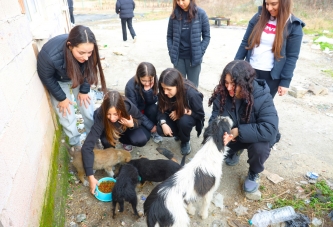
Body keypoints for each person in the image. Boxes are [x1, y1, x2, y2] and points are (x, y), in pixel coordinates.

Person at [208, 60, 279, 193]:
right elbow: (214, 119)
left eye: (233, 84)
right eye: (226, 82)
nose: (228, 88)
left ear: (245, 84)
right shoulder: (222, 93)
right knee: (215, 137)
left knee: (261, 147)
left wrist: (238, 132)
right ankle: (235, 150)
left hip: (250, 136)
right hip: (232, 136)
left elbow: (270, 128)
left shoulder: (262, 96)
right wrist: (221, 133)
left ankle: (254, 172)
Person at [37, 25, 106, 148]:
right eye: (81, 53)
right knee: (66, 114)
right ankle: (76, 145)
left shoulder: (88, 53)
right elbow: (47, 77)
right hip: (58, 80)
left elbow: (89, 69)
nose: (86, 57)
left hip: (79, 76)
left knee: (87, 107)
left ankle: (93, 139)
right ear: (70, 46)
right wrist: (62, 98)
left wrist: (84, 90)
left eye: (89, 52)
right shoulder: (50, 56)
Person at [82, 90, 151, 194]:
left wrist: (132, 125)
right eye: (109, 114)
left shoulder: (128, 107)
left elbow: (140, 119)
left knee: (141, 139)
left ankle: (124, 140)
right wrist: (90, 176)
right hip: (109, 131)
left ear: (122, 110)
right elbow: (87, 146)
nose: (112, 118)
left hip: (125, 128)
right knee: (106, 141)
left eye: (116, 114)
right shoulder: (100, 116)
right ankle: (111, 146)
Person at [235, 0, 305, 98]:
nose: (269, 8)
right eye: (267, 4)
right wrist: (234, 66)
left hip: (271, 77)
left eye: (273, 4)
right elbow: (245, 42)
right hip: (249, 70)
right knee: (243, 102)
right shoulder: (258, 17)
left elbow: (292, 56)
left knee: (261, 107)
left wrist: (285, 81)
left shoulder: (294, 25)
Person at [157, 68, 205, 155]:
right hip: (172, 114)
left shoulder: (192, 94)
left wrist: (185, 111)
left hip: (187, 117)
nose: (165, 92)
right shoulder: (164, 91)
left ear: (178, 86)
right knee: (160, 128)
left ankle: (185, 141)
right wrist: (163, 123)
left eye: (168, 89)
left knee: (184, 121)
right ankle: (179, 134)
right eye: (163, 88)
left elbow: (200, 115)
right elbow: (160, 108)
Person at [167, 0, 210, 87]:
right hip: (178, 59)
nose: (180, 3)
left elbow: (207, 37)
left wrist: (200, 52)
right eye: (178, 0)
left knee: (192, 89)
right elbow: (169, 36)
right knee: (179, 88)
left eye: (183, 0)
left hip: (193, 59)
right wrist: (172, 52)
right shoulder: (174, 15)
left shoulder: (201, 14)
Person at [125, 62, 163, 144]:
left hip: (146, 109)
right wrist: (150, 126)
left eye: (150, 80)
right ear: (138, 77)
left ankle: (153, 130)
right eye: (143, 81)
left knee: (153, 108)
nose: (147, 83)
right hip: (135, 114)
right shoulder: (130, 87)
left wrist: (148, 91)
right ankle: (126, 141)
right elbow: (134, 111)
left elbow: (153, 101)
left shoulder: (154, 79)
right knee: (144, 137)